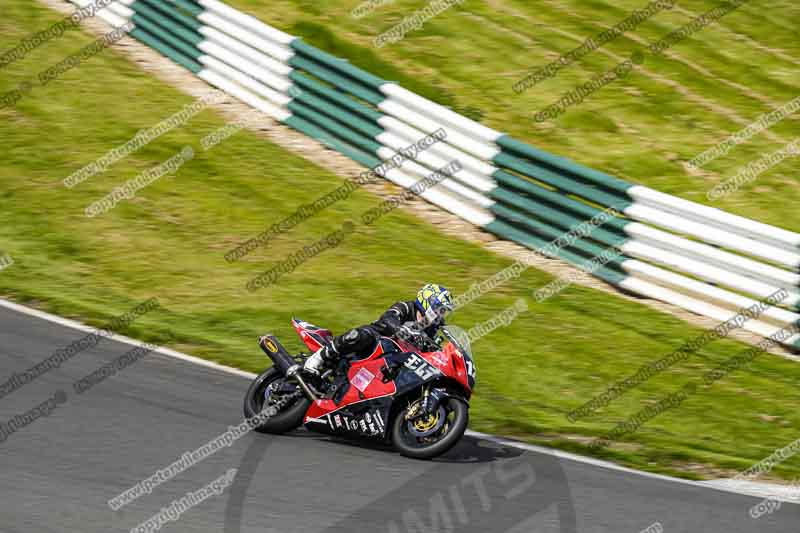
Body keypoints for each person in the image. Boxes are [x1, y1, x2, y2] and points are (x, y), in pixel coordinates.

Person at [303, 283, 454, 375]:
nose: (441, 313)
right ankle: (318, 357)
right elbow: (388, 318)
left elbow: (431, 349)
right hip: (378, 339)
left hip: (396, 359)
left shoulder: (432, 328)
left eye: (444, 311)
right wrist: (402, 329)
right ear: (428, 302)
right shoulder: (406, 307)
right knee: (358, 336)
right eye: (440, 308)